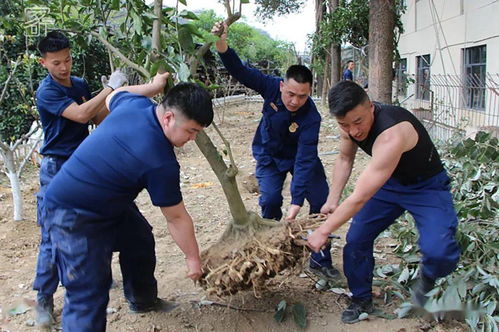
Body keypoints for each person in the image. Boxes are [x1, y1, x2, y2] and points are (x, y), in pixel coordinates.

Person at [41, 74, 213, 331]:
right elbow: (176, 217)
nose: (192, 139)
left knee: (139, 237)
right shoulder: (160, 161)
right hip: (71, 211)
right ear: (168, 118)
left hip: (108, 201)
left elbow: (112, 95)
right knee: (88, 292)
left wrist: (152, 88)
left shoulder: (136, 105)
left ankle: (142, 299)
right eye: (191, 131)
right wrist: (192, 259)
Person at [307, 81, 460, 324]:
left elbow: (359, 197)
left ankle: (429, 278)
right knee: (356, 239)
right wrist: (332, 199)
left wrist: (324, 231)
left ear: (370, 106)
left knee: (440, 251)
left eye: (358, 122)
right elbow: (345, 158)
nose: (354, 131)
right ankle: (360, 297)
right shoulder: (349, 127)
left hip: (427, 187)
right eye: (344, 124)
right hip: (390, 184)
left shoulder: (391, 133)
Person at [212, 22, 338, 280]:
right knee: (269, 201)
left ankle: (321, 257)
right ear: (282, 86)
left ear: (309, 92)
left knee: (321, 201)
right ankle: (271, 252)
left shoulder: (311, 117)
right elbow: (240, 71)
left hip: (301, 159)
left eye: (302, 96)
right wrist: (222, 43)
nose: (295, 101)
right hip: (270, 157)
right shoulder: (269, 86)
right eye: (291, 94)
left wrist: (296, 203)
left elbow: (305, 160)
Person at [33, 30, 129, 326]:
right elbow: (80, 115)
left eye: (68, 60)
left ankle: (95, 277)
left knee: (94, 224)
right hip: (56, 168)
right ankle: (44, 299)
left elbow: (97, 117)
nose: (64, 67)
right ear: (43, 63)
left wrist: (119, 97)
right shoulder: (46, 91)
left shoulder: (80, 84)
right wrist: (108, 90)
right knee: (52, 235)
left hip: (83, 165)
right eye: (57, 62)